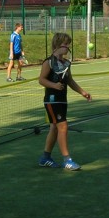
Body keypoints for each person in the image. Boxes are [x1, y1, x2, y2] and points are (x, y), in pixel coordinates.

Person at [38, 32, 91, 170]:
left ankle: (45, 158)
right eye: (65, 44)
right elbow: (41, 80)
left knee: (54, 128)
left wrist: (82, 92)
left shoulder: (66, 63)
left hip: (62, 100)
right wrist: (54, 85)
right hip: (52, 100)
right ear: (57, 45)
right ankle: (67, 160)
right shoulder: (48, 62)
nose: (68, 47)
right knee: (63, 126)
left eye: (69, 44)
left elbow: (70, 81)